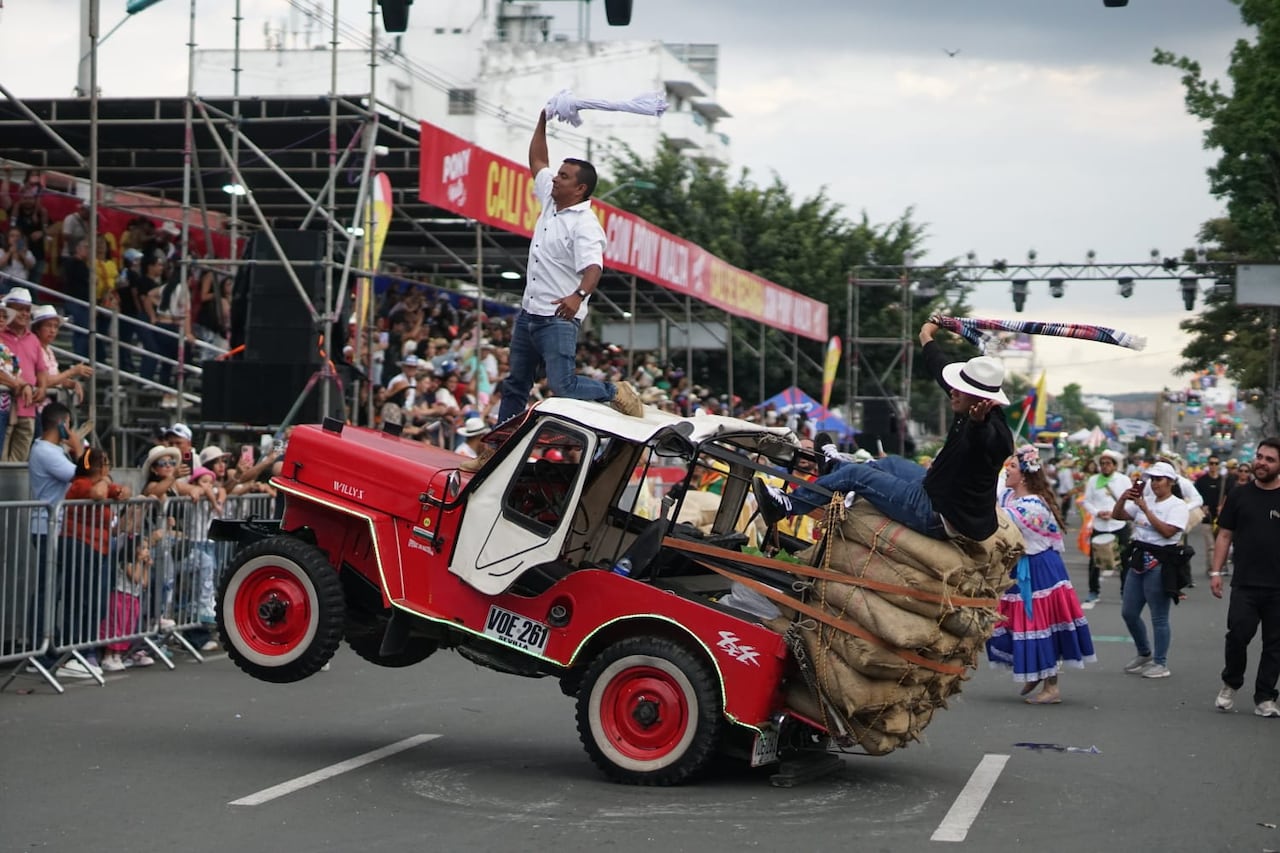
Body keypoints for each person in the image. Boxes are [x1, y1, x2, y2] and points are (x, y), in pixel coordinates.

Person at [473, 106, 643, 472]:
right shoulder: (551, 201)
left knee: (562, 386)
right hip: (529, 313)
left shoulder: (585, 224)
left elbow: (595, 267)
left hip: (558, 319)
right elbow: (537, 159)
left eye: (563, 177)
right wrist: (541, 120)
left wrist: (578, 295)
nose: (555, 179)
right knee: (515, 385)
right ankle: (496, 453)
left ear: (579, 188)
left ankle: (615, 392)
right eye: (558, 174)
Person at [754, 320, 1014, 542]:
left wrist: (979, 426)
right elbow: (940, 369)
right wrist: (926, 335)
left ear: (981, 399)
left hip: (939, 514)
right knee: (890, 463)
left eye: (959, 389)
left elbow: (986, 444)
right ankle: (833, 468)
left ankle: (788, 505)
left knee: (857, 474)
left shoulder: (995, 433)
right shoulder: (965, 401)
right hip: (936, 490)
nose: (952, 391)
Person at [986, 446, 1096, 704]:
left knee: (1042, 624)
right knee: (1017, 623)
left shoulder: (1031, 506)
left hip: (1039, 568)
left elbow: (998, 520)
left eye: (1011, 466)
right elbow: (993, 500)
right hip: (1020, 567)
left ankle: (1052, 687)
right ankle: (1035, 672)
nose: (1006, 470)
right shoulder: (1010, 498)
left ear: (1024, 475)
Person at [1210, 438, 1280, 718]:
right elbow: (1225, 534)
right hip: (1245, 584)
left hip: (1278, 588)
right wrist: (1216, 572)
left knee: (1275, 645)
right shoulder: (1240, 495)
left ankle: (1265, 697)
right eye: (1259, 456)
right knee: (1238, 637)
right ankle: (1231, 682)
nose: (1261, 462)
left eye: (1270, 459)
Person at [26, 403, 93, 675]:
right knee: (46, 590)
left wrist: (78, 448)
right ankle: (38, 650)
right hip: (46, 529)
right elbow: (82, 475)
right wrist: (78, 448)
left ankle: (51, 644)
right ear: (63, 423)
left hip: (60, 529)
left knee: (57, 589)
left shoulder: (56, 450)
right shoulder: (43, 450)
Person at [1112, 460, 1190, 679]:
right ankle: (1144, 652)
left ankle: (1160, 662)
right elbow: (1118, 516)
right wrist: (1123, 498)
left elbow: (1167, 532)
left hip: (1161, 562)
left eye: (1159, 479)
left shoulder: (1177, 505)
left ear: (1171, 482)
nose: (1155, 483)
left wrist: (1146, 510)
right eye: (1152, 479)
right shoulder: (1144, 500)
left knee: (1159, 616)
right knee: (1128, 612)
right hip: (1138, 560)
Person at [1081, 449, 1131, 602]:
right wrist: (1097, 512)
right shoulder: (1093, 480)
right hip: (1100, 525)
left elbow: (1131, 501)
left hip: (1119, 525)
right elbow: (1086, 501)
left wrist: (1115, 513)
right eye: (1102, 463)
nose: (1104, 466)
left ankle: (1125, 592)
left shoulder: (1123, 480)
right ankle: (1093, 591)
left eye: (1108, 463)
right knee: (1094, 561)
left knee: (1124, 561)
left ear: (1115, 466)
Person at [0, 286, 41, 461]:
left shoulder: (5, 348)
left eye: (27, 310)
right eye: (20, 309)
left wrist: (24, 384)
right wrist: (20, 384)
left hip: (20, 406)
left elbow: (14, 370)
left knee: (16, 464)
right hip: (5, 407)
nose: (25, 314)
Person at [1195, 454, 1230, 577]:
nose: (1213, 466)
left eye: (1216, 463)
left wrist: (1223, 506)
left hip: (1221, 517)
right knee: (1210, 545)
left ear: (1219, 466)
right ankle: (1211, 569)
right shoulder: (1201, 481)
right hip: (1207, 517)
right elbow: (1195, 497)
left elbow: (1228, 496)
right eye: (1211, 463)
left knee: (1221, 543)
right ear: (1208, 464)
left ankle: (1220, 566)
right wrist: (1201, 507)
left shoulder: (1223, 481)